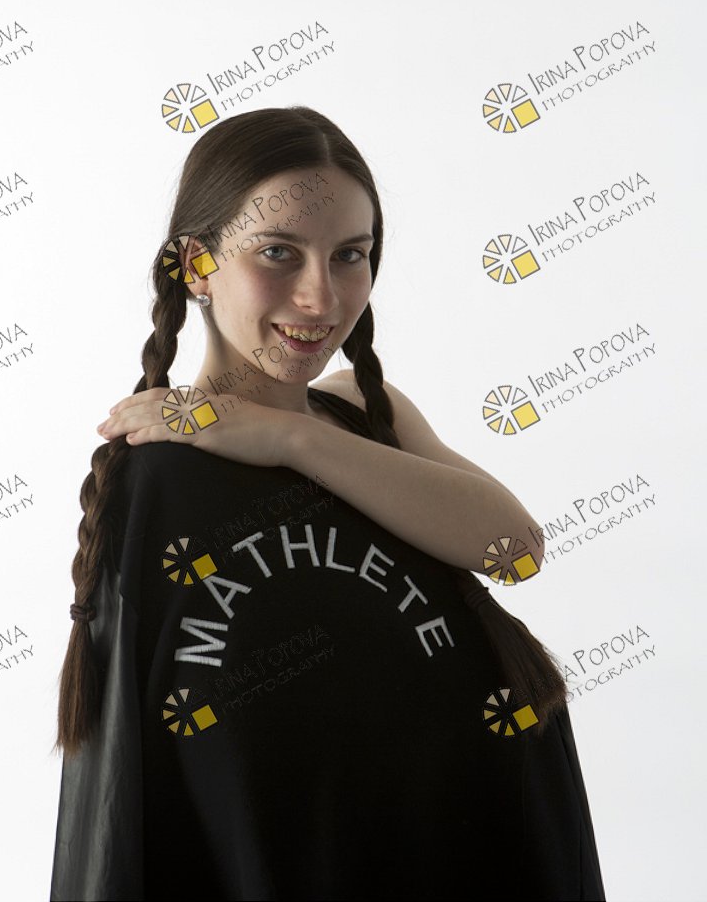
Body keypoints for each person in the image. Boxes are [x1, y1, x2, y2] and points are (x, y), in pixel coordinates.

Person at [49, 105, 606, 901]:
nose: (320, 297)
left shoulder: (367, 415)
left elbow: (514, 549)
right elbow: (146, 791)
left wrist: (288, 436)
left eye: (351, 255)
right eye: (278, 252)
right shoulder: (159, 472)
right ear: (196, 265)